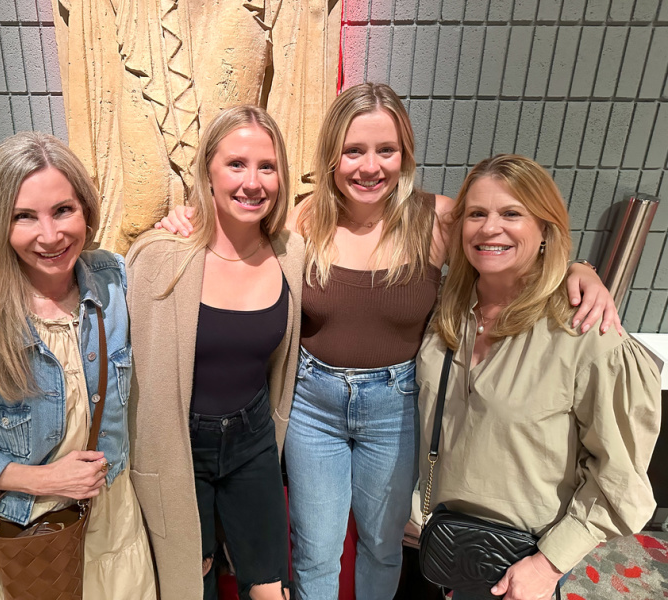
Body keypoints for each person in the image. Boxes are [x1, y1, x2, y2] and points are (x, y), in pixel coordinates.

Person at [156, 83, 619, 599]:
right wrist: (185, 215)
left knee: (383, 546)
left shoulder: (438, 218)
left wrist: (582, 270)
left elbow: (509, 240)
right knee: (314, 549)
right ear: (333, 157)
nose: (369, 166)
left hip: (396, 407)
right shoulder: (305, 219)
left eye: (386, 150)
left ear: (405, 156)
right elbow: (233, 223)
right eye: (354, 151)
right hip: (313, 404)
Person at [0, 132, 156, 600]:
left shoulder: (113, 283)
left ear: (86, 210)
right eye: (24, 217)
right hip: (30, 538)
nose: (51, 235)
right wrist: (42, 478)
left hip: (115, 525)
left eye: (63, 210)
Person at [417, 154, 660, 600]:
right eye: (477, 214)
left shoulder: (584, 332)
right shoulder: (447, 314)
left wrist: (548, 565)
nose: (491, 228)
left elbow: (621, 478)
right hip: (444, 544)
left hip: (521, 562)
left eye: (512, 213)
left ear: (545, 229)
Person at [126, 106, 304, 600]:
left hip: (254, 441)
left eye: (267, 166)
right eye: (236, 164)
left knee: (272, 586)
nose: (253, 181)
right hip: (181, 449)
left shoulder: (292, 254)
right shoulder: (161, 257)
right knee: (192, 580)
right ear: (208, 170)